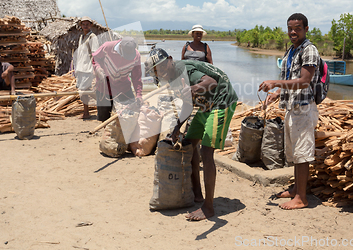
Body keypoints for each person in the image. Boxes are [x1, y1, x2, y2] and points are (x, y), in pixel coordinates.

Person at [144, 48, 238, 221]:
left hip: (222, 101)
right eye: (157, 70)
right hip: (206, 105)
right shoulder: (172, 79)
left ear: (170, 60)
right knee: (189, 144)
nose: (161, 71)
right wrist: (176, 128)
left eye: (162, 66)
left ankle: (209, 207)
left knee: (207, 152)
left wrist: (194, 87)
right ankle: (197, 194)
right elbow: (188, 105)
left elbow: (211, 82)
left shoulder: (182, 69)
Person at [258, 13, 320, 210]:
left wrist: (275, 82)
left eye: (298, 28)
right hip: (292, 108)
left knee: (302, 154)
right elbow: (290, 78)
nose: (293, 32)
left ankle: (302, 198)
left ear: (306, 29)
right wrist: (277, 93)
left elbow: (303, 81)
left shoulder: (309, 50)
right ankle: (295, 190)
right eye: (290, 28)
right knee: (294, 153)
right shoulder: (292, 51)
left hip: (303, 108)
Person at [92, 37, 142, 122]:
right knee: (104, 118)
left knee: (131, 113)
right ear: (121, 47)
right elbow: (95, 58)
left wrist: (139, 94)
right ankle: (107, 133)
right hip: (104, 87)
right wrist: (98, 69)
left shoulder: (136, 56)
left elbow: (136, 77)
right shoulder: (107, 47)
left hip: (123, 88)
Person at [73, 16, 99, 119]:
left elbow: (95, 54)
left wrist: (94, 68)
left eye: (87, 24)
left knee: (84, 90)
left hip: (88, 68)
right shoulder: (81, 37)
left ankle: (103, 103)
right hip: (80, 67)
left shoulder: (93, 37)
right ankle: (86, 112)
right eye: (83, 24)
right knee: (84, 90)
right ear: (81, 25)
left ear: (91, 25)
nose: (85, 26)